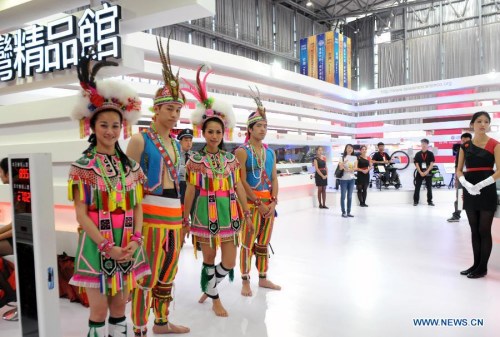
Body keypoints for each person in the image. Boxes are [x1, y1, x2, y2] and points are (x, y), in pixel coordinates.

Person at [68, 51, 149, 337]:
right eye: (104, 125)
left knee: (119, 309)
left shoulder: (132, 168)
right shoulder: (82, 166)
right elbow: (81, 213)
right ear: (92, 127)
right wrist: (106, 246)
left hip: (127, 243)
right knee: (99, 311)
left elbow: (137, 207)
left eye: (115, 125)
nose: (110, 130)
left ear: (122, 127)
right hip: (96, 246)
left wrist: (136, 241)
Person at [126, 38, 190, 336]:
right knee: (145, 275)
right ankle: (139, 327)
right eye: (170, 108)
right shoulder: (140, 140)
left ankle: (161, 323)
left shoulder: (177, 144)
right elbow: (127, 185)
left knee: (168, 272)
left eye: (178, 109)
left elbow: (178, 182)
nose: (175, 114)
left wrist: (183, 217)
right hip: (149, 214)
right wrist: (129, 225)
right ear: (157, 109)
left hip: (173, 215)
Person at [182, 65, 253, 317]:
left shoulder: (231, 159)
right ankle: (214, 298)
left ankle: (209, 286)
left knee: (230, 261)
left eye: (218, 131)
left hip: (229, 214)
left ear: (224, 133)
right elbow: (190, 190)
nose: (214, 135)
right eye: (210, 131)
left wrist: (245, 212)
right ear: (204, 132)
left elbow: (238, 187)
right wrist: (185, 217)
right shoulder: (195, 161)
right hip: (204, 213)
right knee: (209, 259)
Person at [235, 88, 281, 297]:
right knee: (246, 243)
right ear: (250, 129)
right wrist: (257, 202)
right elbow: (241, 181)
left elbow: (273, 178)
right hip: (250, 205)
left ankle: (263, 277)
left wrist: (273, 202)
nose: (263, 129)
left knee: (263, 243)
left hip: (268, 204)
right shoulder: (242, 151)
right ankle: (245, 280)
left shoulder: (270, 152)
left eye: (265, 126)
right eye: (259, 126)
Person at [456, 111, 499, 279]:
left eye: (486, 121)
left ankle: (483, 267)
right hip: (469, 188)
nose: (483, 124)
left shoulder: (495, 144)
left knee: (484, 229)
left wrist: (482, 184)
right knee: (474, 229)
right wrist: (465, 183)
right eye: (479, 121)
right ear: (472, 124)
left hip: (486, 188)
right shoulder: (465, 146)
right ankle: (475, 265)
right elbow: (459, 169)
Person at [447, 133, 472, 222]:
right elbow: (457, 165)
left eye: (466, 140)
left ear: (470, 140)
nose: (464, 142)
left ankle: (475, 216)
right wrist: (456, 179)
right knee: (460, 195)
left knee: (475, 195)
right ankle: (456, 215)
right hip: (461, 175)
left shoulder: (474, 150)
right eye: (463, 140)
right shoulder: (460, 150)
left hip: (473, 175)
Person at [413, 139, 435, 206]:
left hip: (428, 172)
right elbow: (416, 164)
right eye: (422, 143)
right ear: (421, 144)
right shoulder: (417, 154)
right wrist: (420, 172)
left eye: (425, 143)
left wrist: (426, 171)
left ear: (427, 145)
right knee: (417, 187)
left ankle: (430, 201)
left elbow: (431, 164)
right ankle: (416, 201)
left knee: (429, 187)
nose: (424, 145)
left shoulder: (430, 154)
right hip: (420, 172)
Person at [339, 144, 357, 217]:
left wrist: (350, 169)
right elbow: (340, 168)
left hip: (352, 179)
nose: (350, 149)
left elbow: (356, 168)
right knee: (343, 196)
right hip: (343, 179)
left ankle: (348, 212)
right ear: (346, 149)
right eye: (348, 148)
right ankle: (343, 212)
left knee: (349, 196)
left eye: (351, 148)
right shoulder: (342, 157)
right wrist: (344, 163)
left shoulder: (354, 157)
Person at [178, 128, 194, 206]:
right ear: (180, 142)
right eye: (186, 140)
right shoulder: (175, 155)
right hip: (180, 185)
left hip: (192, 186)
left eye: (190, 140)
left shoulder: (195, 157)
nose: (189, 143)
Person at [0, 158, 13, 257]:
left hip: (22, 241)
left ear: (8, 173)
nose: (0, 175)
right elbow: (14, 224)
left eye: (0, 171)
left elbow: (18, 229)